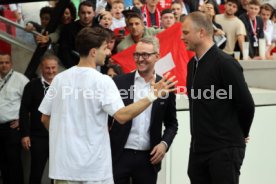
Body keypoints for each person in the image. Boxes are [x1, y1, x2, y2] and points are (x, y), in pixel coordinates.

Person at [38, 27, 176, 184]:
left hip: (63, 168)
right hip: (94, 169)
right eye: (105, 48)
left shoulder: (59, 79)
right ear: (93, 52)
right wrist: (152, 95)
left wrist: (65, 139)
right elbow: (122, 116)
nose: (108, 53)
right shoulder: (104, 81)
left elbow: (44, 118)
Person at [181, 12, 255, 184]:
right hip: (198, 150)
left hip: (224, 149)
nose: (182, 37)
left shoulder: (225, 63)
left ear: (201, 32)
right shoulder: (192, 64)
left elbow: (246, 104)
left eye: (185, 32)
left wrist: (241, 133)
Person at [109, 36, 178, 184]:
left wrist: (164, 144)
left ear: (157, 56)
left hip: (148, 158)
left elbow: (172, 124)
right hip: (119, 155)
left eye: (145, 55)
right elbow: (107, 121)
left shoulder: (166, 86)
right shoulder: (119, 82)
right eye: (137, 54)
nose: (140, 59)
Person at [19, 54, 59, 184]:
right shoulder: (31, 86)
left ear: (57, 67)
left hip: (59, 137)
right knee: (36, 172)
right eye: (47, 68)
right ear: (41, 68)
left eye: (53, 67)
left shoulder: (65, 86)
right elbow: (24, 111)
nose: (51, 71)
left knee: (58, 173)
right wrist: (25, 134)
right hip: (38, 137)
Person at [0, 53, 29, 184]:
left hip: (12, 127)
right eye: (1, 62)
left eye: (6, 62)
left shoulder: (21, 79)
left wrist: (21, 121)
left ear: (11, 64)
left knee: (14, 162)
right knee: (2, 163)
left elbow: (31, 104)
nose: (4, 65)